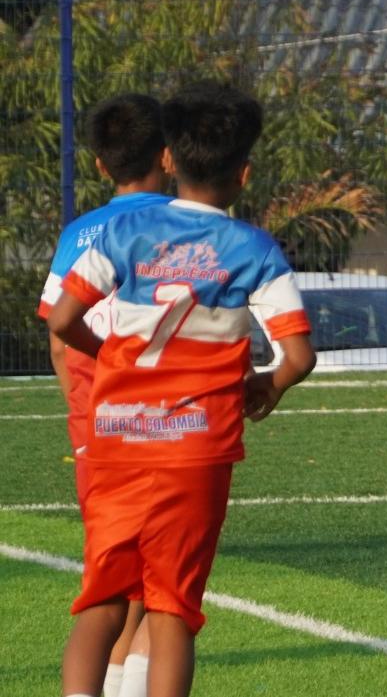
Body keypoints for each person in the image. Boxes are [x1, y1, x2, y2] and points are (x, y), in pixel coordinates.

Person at [48, 80, 317, 697]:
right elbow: (299, 355)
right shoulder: (254, 249)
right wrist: (266, 385)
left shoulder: (126, 233)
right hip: (195, 448)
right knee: (171, 609)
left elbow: (64, 322)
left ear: (168, 159)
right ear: (244, 173)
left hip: (117, 434)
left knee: (102, 599)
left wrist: (117, 359)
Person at [36, 92, 173, 697]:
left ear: (98, 164)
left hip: (99, 432)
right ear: (168, 156)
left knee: (109, 589)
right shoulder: (189, 228)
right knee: (158, 596)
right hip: (172, 429)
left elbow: (59, 333)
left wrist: (82, 411)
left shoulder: (80, 233)